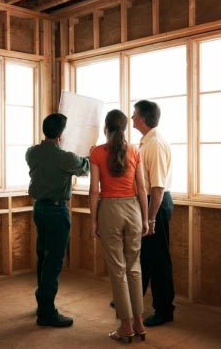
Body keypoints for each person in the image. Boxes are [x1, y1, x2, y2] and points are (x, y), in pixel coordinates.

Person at [89, 110, 149, 343]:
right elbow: (142, 188)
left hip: (110, 211)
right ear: (124, 128)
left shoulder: (97, 153)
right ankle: (139, 323)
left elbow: (95, 190)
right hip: (133, 209)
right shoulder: (134, 151)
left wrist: (94, 220)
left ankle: (125, 326)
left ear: (106, 127)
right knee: (134, 267)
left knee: (118, 269)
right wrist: (144, 219)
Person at [26, 113, 90, 327]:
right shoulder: (66, 158)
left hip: (39, 209)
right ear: (61, 134)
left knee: (43, 258)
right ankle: (46, 312)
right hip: (56, 211)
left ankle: (42, 302)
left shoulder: (32, 153)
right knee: (53, 262)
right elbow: (85, 167)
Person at [132, 99, 175, 327]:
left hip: (156, 204)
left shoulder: (155, 144)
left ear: (143, 118)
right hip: (149, 203)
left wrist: (150, 218)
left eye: (134, 114)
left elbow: (157, 187)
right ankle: (134, 301)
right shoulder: (145, 142)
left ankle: (164, 310)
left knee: (158, 259)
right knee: (145, 257)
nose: (131, 118)